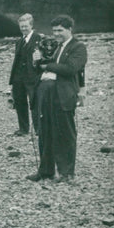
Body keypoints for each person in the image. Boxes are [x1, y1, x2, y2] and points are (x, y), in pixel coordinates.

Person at [27, 15, 87, 183]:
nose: (56, 34)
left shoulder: (78, 47)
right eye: (54, 31)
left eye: (60, 30)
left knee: (65, 134)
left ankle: (66, 173)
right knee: (45, 132)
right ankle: (45, 170)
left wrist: (47, 66)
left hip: (63, 96)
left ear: (70, 29)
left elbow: (70, 69)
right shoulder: (56, 47)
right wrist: (37, 62)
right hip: (45, 94)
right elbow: (42, 68)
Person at [9, 13, 42, 136]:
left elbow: (42, 58)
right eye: (21, 27)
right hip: (18, 78)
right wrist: (12, 80)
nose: (23, 29)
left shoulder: (39, 39)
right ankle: (23, 129)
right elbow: (16, 61)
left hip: (32, 77)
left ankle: (39, 129)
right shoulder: (19, 41)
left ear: (31, 26)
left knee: (35, 103)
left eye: (25, 26)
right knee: (19, 102)